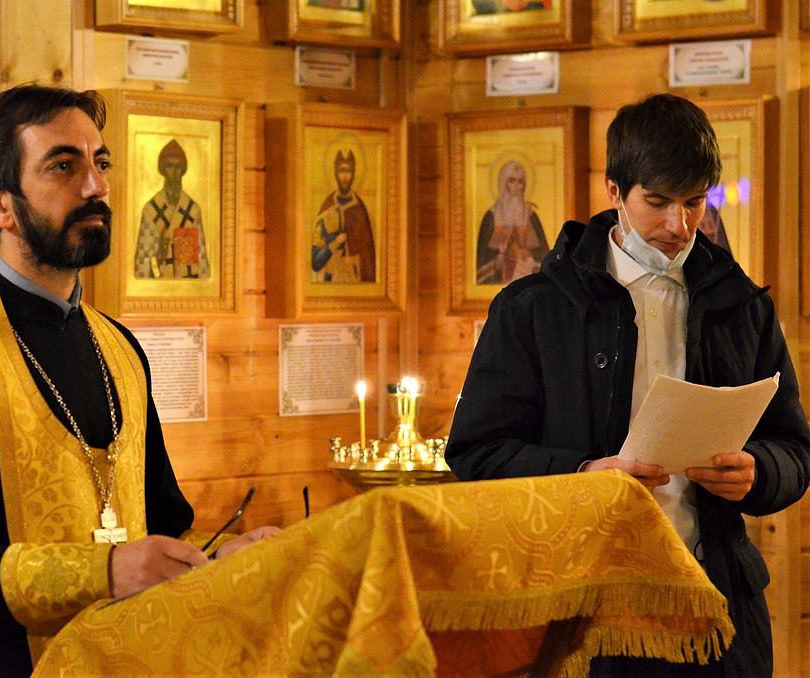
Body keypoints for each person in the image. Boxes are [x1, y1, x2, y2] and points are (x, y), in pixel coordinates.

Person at [0, 85, 277, 677]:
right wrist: (104, 572)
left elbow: (159, 527)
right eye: (63, 166)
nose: (96, 187)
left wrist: (217, 561)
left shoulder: (119, 349)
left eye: (101, 163)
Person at [445, 93, 810, 676]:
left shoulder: (741, 304)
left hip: (714, 608)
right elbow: (476, 453)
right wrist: (586, 475)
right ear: (614, 191)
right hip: (584, 613)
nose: (679, 226)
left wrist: (759, 472)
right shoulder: (535, 308)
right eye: (657, 202)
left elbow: (794, 449)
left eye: (695, 202)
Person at [133, 139, 210, 280]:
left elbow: (201, 258)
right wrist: (159, 256)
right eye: (169, 166)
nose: (174, 172)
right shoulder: (151, 210)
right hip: (159, 281)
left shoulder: (192, 210)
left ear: (183, 170)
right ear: (163, 169)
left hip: (186, 284)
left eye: (178, 167)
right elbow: (143, 260)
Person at [475, 159, 549, 285]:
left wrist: (531, 262)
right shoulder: (490, 218)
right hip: (497, 286)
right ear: (502, 183)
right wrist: (498, 261)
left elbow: (546, 261)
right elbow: (479, 268)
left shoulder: (531, 217)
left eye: (520, 182)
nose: (516, 187)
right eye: (511, 181)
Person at [311, 149, 375, 283]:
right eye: (341, 171)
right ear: (336, 173)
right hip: (329, 280)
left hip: (352, 279)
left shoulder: (359, 209)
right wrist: (335, 243)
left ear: (353, 174)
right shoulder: (327, 206)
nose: (345, 177)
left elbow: (368, 257)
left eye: (348, 171)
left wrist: (353, 259)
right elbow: (315, 260)